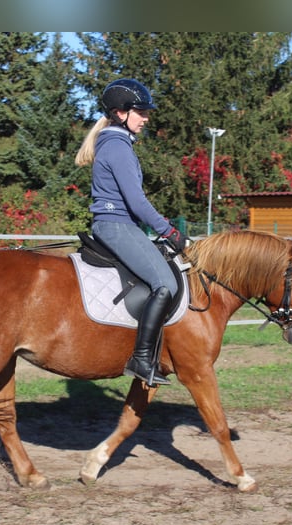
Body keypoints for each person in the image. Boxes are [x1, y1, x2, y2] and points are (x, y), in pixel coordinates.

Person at [75, 78, 188, 387]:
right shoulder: (117, 147)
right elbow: (136, 202)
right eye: (141, 112)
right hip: (117, 224)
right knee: (165, 283)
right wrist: (168, 231)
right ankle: (140, 359)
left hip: (119, 224)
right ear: (120, 113)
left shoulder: (114, 144)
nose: (146, 118)